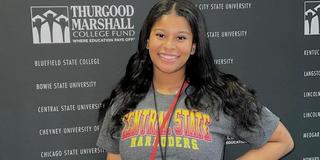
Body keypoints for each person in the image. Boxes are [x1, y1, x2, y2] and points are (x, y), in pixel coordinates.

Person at [97, 0, 294, 159]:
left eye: (181, 37)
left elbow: (282, 141)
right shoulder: (123, 101)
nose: (169, 46)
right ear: (147, 41)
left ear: (193, 46)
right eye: (160, 35)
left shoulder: (220, 96)